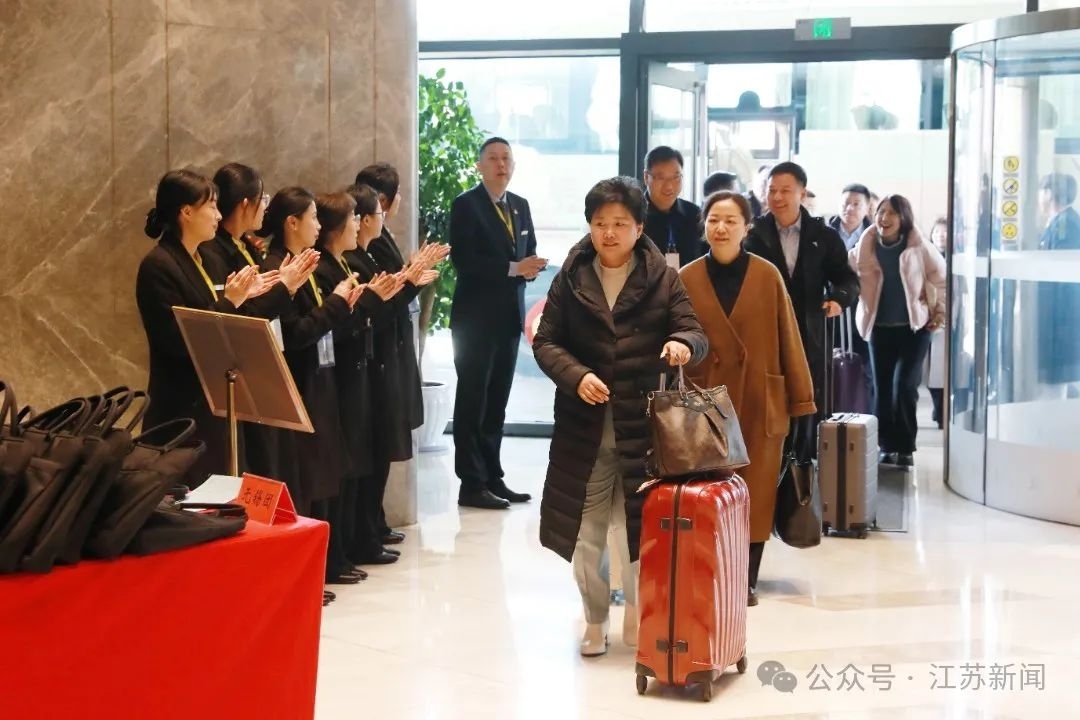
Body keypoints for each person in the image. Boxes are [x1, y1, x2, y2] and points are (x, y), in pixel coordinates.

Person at [533, 176, 707, 657]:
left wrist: (681, 344)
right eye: (599, 223)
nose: (608, 233)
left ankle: (636, 610)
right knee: (586, 531)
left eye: (619, 223)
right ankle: (594, 618)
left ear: (639, 228)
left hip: (643, 429)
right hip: (583, 428)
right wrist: (577, 376)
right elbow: (546, 342)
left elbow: (694, 331)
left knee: (638, 530)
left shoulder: (663, 278)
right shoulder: (571, 276)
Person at [681, 191, 816, 607]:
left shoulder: (766, 274)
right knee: (707, 491)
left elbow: (790, 338)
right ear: (704, 225)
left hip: (760, 398)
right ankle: (709, 573)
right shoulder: (686, 278)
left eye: (730, 220)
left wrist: (802, 401)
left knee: (754, 492)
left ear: (746, 226)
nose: (721, 228)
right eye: (713, 220)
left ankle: (745, 579)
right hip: (706, 401)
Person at [135, 169, 275, 488]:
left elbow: (221, 320)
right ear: (186, 212)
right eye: (211, 206)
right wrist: (231, 301)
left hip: (217, 403)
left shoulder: (206, 260)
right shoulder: (158, 265)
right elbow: (180, 339)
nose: (218, 215)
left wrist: (245, 298)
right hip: (181, 409)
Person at [259, 187, 366, 587]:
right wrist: (337, 303)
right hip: (296, 383)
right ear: (292, 223)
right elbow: (295, 333)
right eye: (312, 218)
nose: (319, 226)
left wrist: (347, 304)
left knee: (320, 475)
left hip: (319, 379)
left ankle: (319, 567)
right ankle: (302, 575)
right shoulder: (277, 267)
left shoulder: (300, 261)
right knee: (301, 481)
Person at [200, 162, 319, 479]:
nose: (265, 207)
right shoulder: (215, 253)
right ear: (245, 204)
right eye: (262, 199)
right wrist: (285, 286)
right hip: (238, 373)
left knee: (273, 467)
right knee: (254, 470)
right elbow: (241, 318)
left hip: (260, 367)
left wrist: (284, 284)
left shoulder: (244, 246)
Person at [449, 137, 546, 510]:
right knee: (473, 400)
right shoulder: (466, 205)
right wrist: (513, 268)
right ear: (479, 166)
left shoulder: (520, 205)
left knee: (497, 402)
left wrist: (530, 267)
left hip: (508, 318)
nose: (501, 164)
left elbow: (527, 251)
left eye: (506, 158)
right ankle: (470, 482)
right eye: (493, 158)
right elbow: (465, 261)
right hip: (475, 321)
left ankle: (492, 475)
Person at [352, 163, 447, 543]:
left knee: (382, 446)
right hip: (377, 355)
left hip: (391, 350)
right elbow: (386, 295)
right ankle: (366, 528)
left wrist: (411, 272)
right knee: (372, 449)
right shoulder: (365, 246)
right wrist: (411, 276)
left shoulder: (380, 238)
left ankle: (373, 523)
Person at [314, 190, 401, 571]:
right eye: (352, 219)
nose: (357, 225)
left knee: (356, 463)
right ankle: (336, 552)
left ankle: (346, 548)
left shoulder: (341, 263)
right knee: (341, 469)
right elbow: (332, 323)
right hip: (336, 373)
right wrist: (370, 299)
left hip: (357, 369)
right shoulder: (324, 268)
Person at [743, 162, 860, 436]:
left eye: (785, 190)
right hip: (764, 332)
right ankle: (775, 459)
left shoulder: (823, 236)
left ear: (802, 193)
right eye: (772, 190)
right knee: (768, 402)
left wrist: (838, 299)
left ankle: (804, 457)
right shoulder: (752, 234)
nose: (777, 197)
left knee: (807, 400)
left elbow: (847, 279)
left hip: (809, 332)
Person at [851, 195, 946, 467]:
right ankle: (886, 445)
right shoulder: (865, 245)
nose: (885, 218)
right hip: (879, 328)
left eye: (892, 213)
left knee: (904, 386)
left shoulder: (919, 246)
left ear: (903, 217)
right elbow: (847, 271)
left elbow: (942, 279)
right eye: (881, 212)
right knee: (882, 389)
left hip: (915, 328)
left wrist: (940, 314)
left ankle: (905, 447)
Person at [1037, 172, 1080, 397]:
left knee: (1059, 382)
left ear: (1050, 193)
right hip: (1058, 321)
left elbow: (1061, 280)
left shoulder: (1066, 226)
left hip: (1061, 320)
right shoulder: (1059, 223)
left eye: (1041, 191)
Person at [642, 146, 706, 268]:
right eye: (661, 178)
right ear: (646, 177)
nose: (669, 186)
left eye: (676, 177)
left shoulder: (695, 214)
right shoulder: (632, 216)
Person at [926, 217, 948, 428]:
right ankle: (938, 408)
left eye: (945, 232)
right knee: (932, 371)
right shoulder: (927, 257)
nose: (941, 236)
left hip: (951, 318)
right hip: (930, 317)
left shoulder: (958, 257)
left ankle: (944, 411)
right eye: (937, 232)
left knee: (945, 370)